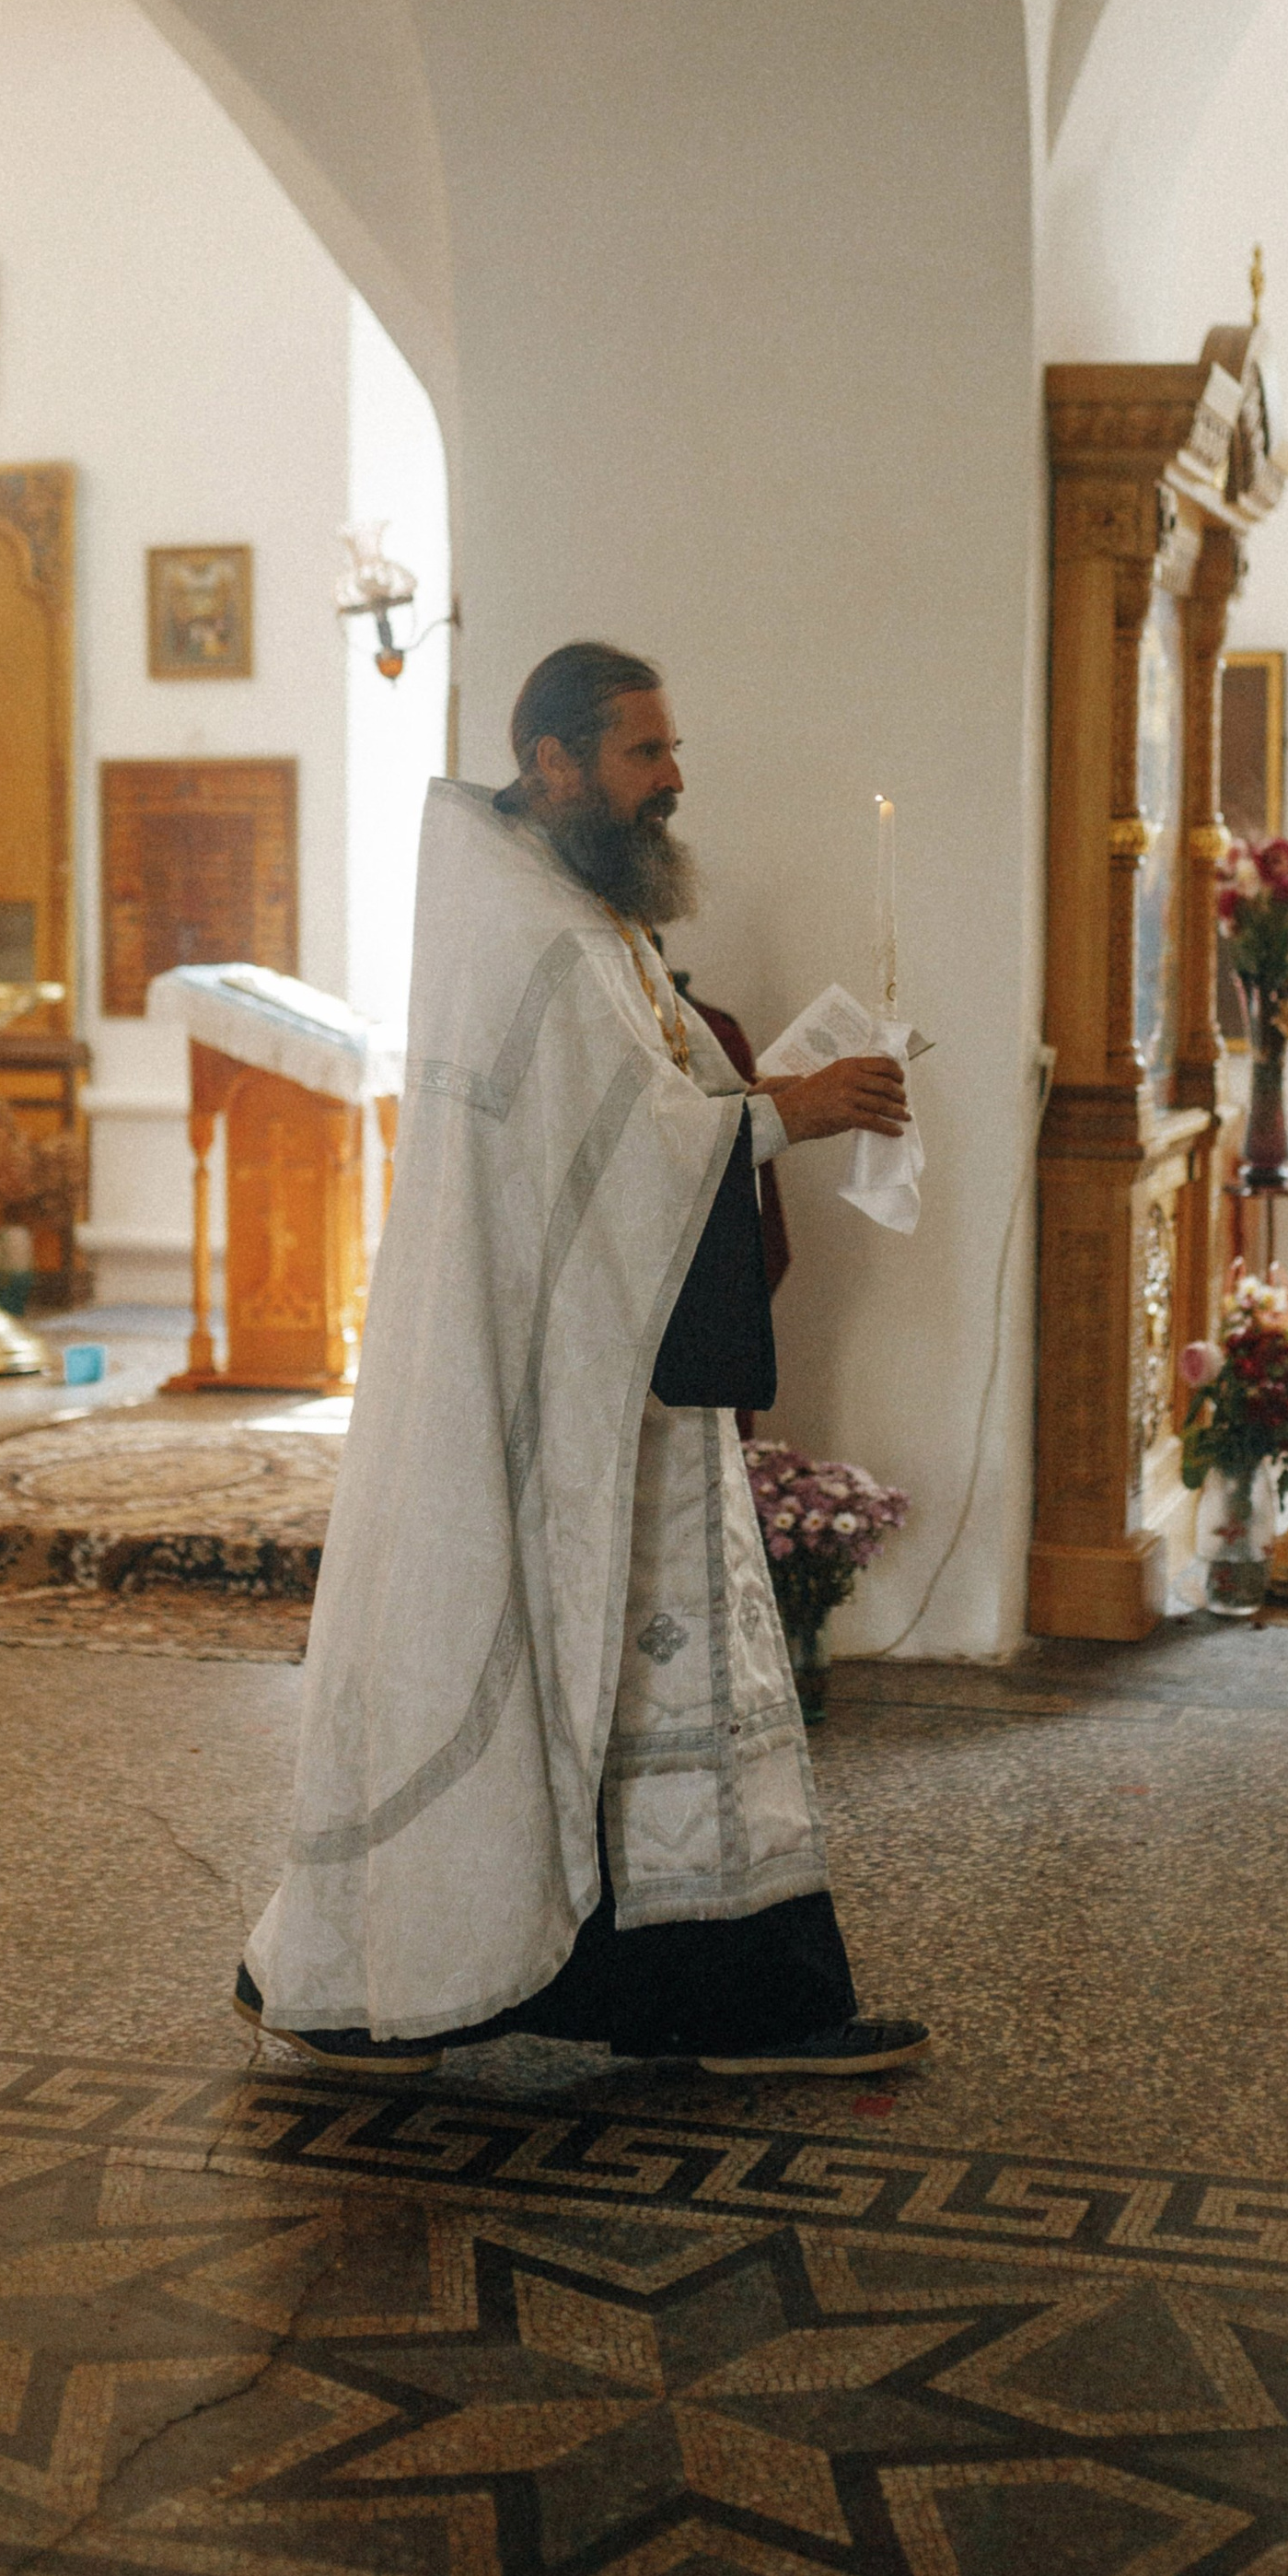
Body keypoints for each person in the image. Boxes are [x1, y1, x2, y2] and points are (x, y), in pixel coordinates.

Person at [238, 640, 927, 2079]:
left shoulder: (567, 907)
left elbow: (638, 1113)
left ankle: (715, 2000)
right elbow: (625, 1153)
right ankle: (416, 1985)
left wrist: (757, 1096)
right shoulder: (534, 934)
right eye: (643, 754)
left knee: (648, 1682)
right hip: (549, 1388)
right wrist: (781, 1112)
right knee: (585, 1659)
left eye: (672, 753)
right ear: (551, 763)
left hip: (613, 1374)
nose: (673, 781)